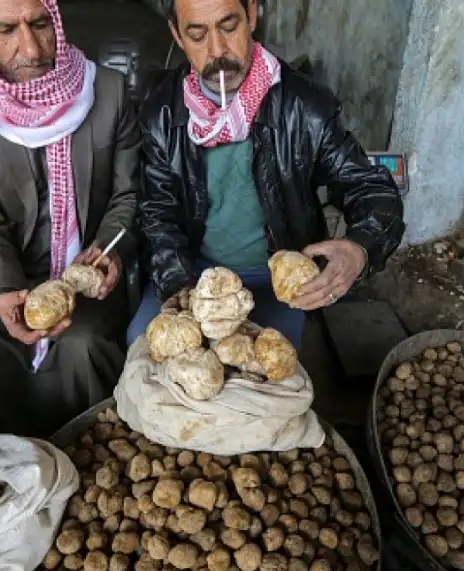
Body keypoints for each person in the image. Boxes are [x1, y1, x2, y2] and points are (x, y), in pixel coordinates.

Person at [127, 0, 405, 349]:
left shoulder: (305, 106)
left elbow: (368, 186)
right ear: (177, 36)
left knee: (267, 374)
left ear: (252, 15)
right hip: (193, 271)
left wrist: (361, 248)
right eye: (197, 35)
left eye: (229, 26)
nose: (217, 50)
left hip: (276, 277)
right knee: (145, 347)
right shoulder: (162, 114)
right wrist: (181, 286)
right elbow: (157, 212)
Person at [0, 0, 140, 436]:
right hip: (9, 272)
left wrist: (108, 249)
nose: (31, 47)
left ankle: (91, 464)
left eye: (39, 23)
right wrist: (3, 291)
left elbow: (129, 195)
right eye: (6, 29)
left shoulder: (108, 91)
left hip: (88, 273)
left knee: (85, 346)